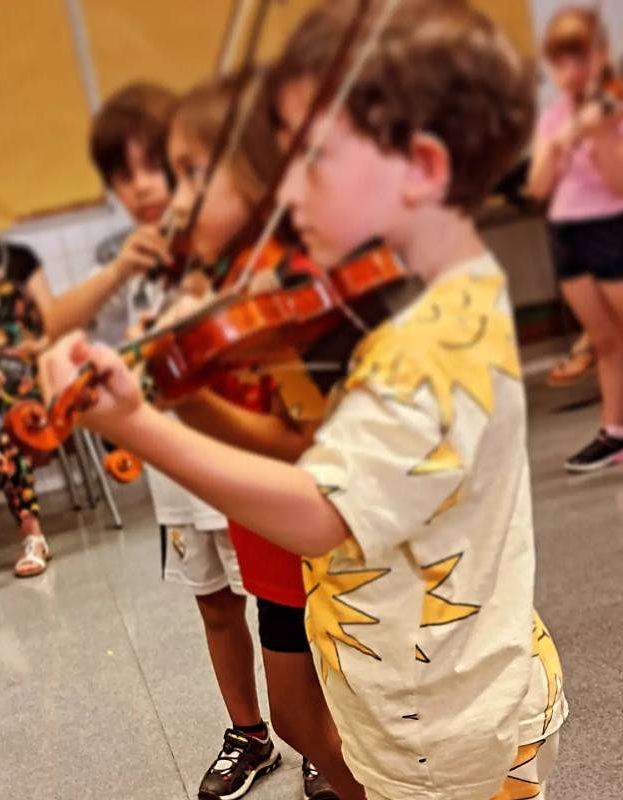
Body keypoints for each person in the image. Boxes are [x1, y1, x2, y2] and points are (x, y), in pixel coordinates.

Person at [42, 2, 568, 798]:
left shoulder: (434, 339)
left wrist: (141, 426)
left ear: (422, 170)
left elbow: (322, 508)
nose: (281, 190)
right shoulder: (408, 307)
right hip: (405, 705)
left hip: (456, 735)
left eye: (309, 159)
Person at [88, 82, 344, 800]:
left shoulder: (292, 271)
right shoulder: (198, 278)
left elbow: (303, 435)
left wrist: (177, 401)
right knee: (291, 712)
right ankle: (264, 737)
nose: (170, 197)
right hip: (250, 507)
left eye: (190, 175)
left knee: (355, 702)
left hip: (318, 521)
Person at [0, 154, 149, 576]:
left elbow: (52, 321)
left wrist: (34, 346)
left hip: (23, 371)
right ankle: (32, 534)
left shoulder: (20, 259)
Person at [529, 7, 623, 470]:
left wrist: (603, 135)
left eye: (581, 60)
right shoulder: (552, 120)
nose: (572, 73)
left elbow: (619, 183)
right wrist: (560, 140)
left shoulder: (614, 110)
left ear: (601, 57)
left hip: (610, 228)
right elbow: (538, 187)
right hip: (567, 232)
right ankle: (615, 432)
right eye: (561, 63)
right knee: (604, 342)